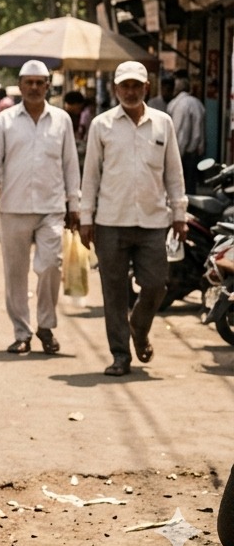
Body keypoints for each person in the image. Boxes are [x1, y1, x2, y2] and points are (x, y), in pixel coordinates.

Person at [79, 61, 187, 377]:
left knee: (155, 285)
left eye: (135, 86)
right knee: (113, 291)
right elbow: (91, 177)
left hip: (153, 222)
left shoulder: (163, 123)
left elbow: (174, 172)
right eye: (124, 86)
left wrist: (179, 213)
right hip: (111, 221)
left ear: (146, 88)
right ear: (115, 89)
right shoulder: (102, 125)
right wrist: (86, 217)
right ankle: (120, 355)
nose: (130, 91)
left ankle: (139, 327)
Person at [0, 59, 80, 355]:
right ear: (21, 86)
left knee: (50, 265)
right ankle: (21, 332)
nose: (34, 88)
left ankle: (46, 327)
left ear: (48, 86)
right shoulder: (5, 121)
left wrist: (74, 203)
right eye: (29, 82)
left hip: (51, 208)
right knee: (16, 274)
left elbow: (70, 165)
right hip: (13, 207)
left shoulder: (62, 120)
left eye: (40, 82)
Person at [167, 76, 206, 193]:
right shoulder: (197, 103)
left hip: (184, 152)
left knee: (182, 186)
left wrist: (176, 154)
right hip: (195, 151)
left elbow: (181, 132)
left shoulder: (180, 105)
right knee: (191, 185)